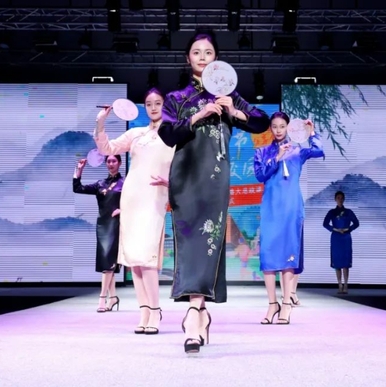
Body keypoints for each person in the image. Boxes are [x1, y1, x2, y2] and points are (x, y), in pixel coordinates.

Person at [158, 31, 270, 353]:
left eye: (208, 52)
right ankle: (200, 312)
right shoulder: (177, 98)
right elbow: (167, 134)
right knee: (190, 243)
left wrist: (233, 112)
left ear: (216, 59)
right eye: (196, 52)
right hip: (185, 178)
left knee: (209, 240)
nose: (202, 57)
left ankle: (194, 313)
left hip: (216, 179)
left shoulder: (229, 95)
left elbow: (261, 122)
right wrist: (199, 115)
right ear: (188, 58)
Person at [94, 88, 175, 335]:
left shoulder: (173, 134)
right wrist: (101, 123)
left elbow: (183, 166)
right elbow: (107, 148)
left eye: (158, 103)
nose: (153, 107)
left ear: (165, 105)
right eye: (149, 104)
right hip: (132, 198)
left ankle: (155, 310)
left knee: (147, 259)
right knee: (135, 261)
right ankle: (144, 312)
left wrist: (172, 183)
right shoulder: (136, 133)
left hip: (154, 198)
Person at [254, 112, 324, 324]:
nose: (278, 130)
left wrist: (312, 132)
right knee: (268, 256)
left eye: (282, 126)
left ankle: (286, 303)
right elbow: (260, 175)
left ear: (288, 128)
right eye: (274, 126)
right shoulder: (262, 152)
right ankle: (272, 304)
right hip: (271, 208)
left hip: (291, 207)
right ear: (270, 128)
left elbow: (319, 150)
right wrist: (276, 157)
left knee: (288, 256)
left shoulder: (298, 151)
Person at [73, 154, 123, 313]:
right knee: (107, 262)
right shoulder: (100, 184)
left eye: (114, 161)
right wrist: (79, 170)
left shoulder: (125, 183)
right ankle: (113, 297)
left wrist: (123, 209)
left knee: (108, 263)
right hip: (102, 225)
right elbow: (77, 188)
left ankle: (102, 298)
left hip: (117, 225)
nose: (111, 163)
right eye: (108, 161)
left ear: (120, 163)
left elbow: (137, 200)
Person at [323, 191, 360, 294]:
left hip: (346, 238)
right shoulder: (332, 212)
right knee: (337, 262)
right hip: (336, 238)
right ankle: (339, 285)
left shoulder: (349, 212)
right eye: (338, 198)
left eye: (341, 198)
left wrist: (349, 229)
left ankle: (346, 285)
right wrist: (334, 229)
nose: (340, 199)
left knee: (345, 262)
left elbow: (356, 223)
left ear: (344, 199)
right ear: (335, 199)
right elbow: (325, 224)